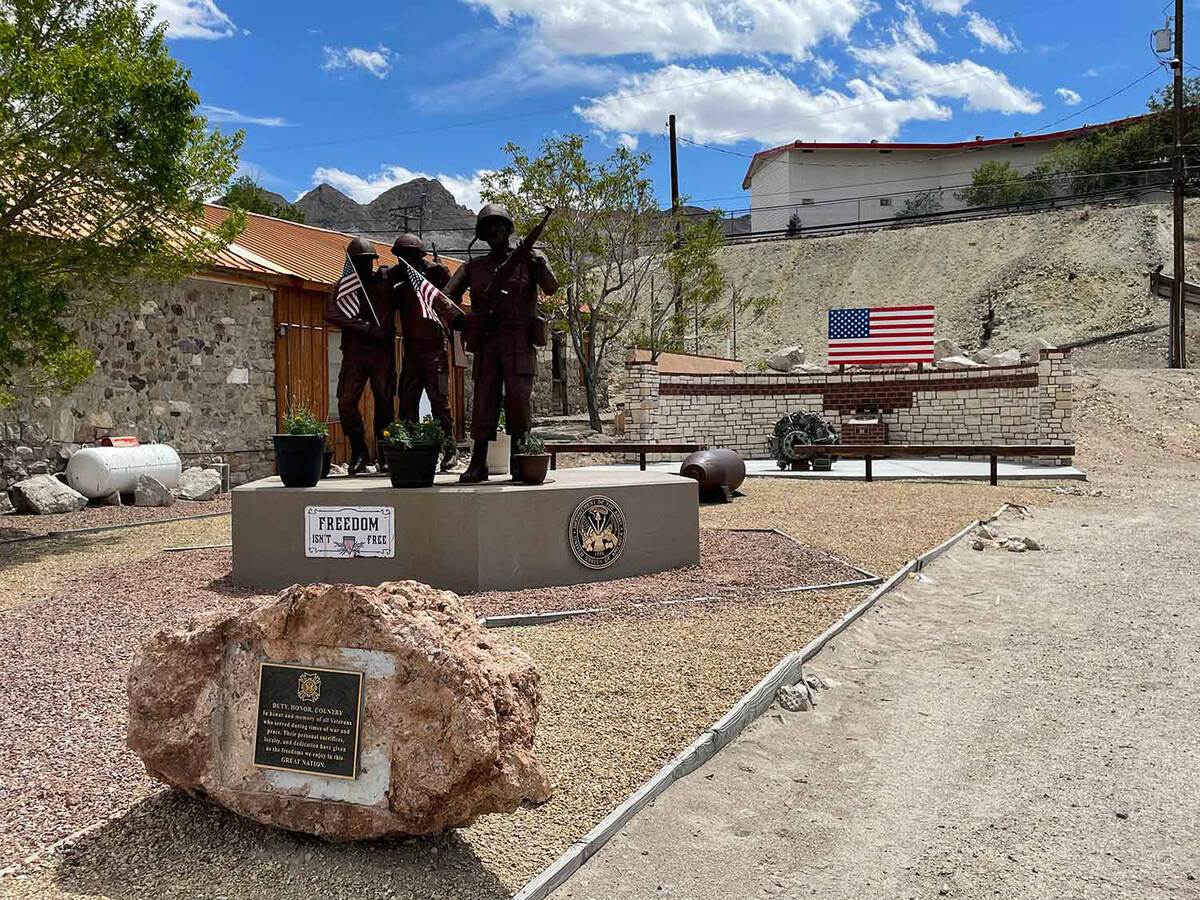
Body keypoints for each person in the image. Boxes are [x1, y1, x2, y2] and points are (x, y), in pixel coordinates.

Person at [443, 204, 558, 483]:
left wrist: (537, 262)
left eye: (499, 225)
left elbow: (552, 287)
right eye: (487, 227)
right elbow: (444, 300)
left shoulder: (529, 260)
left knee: (518, 400)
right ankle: (478, 463)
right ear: (481, 234)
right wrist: (464, 322)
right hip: (488, 343)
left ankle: (520, 461)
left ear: (508, 229)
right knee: (484, 402)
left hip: (519, 341)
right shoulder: (473, 267)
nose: (494, 231)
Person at [390, 233, 464, 470]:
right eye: (401, 256)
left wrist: (442, 275)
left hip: (435, 350)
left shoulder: (434, 279)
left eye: (408, 255)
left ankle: (450, 450)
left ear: (419, 256)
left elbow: (454, 302)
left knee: (440, 403)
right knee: (407, 402)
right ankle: (409, 446)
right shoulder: (400, 287)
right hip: (411, 353)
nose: (404, 261)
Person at [323, 237, 397, 475]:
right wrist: (364, 328)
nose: (364, 265)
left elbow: (410, 268)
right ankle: (359, 451)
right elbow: (331, 313)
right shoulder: (344, 287)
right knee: (346, 402)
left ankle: (385, 452)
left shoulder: (384, 281)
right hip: (354, 354)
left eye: (368, 261)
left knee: (384, 404)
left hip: (381, 355)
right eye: (358, 262)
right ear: (351, 264)